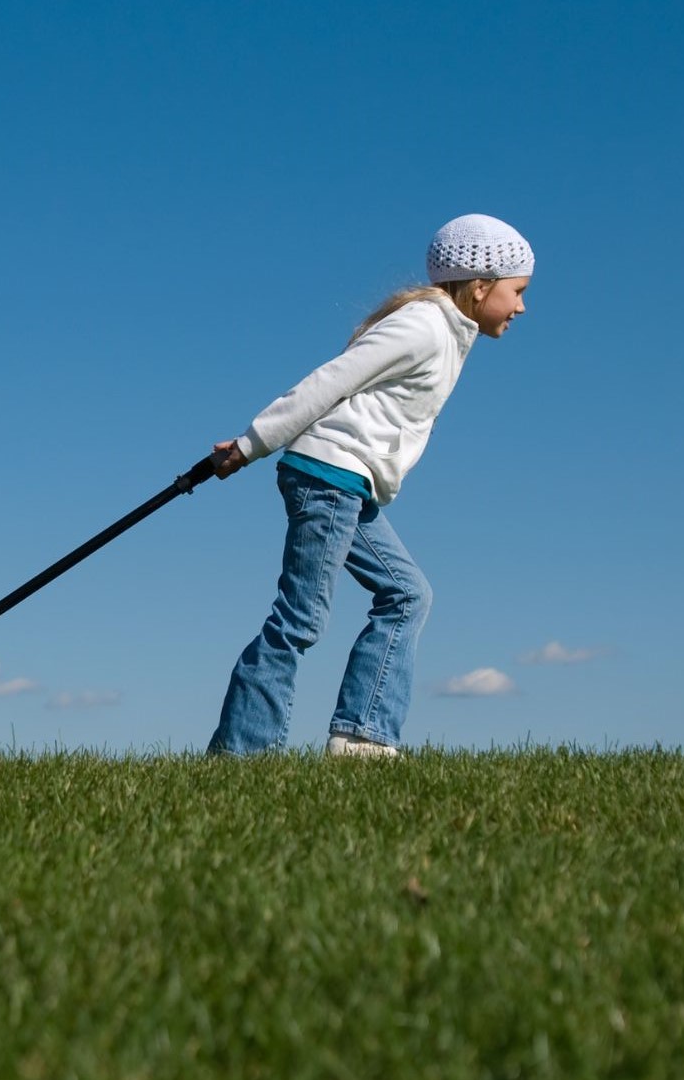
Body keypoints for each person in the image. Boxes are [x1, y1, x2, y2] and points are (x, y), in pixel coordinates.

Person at [206, 214, 535, 759]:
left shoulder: (449, 333)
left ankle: (362, 735)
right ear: (480, 286)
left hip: (347, 484)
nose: (522, 306)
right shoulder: (424, 326)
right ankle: (244, 754)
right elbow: (332, 380)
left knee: (407, 595)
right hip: (328, 475)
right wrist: (251, 444)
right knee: (300, 619)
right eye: (517, 291)